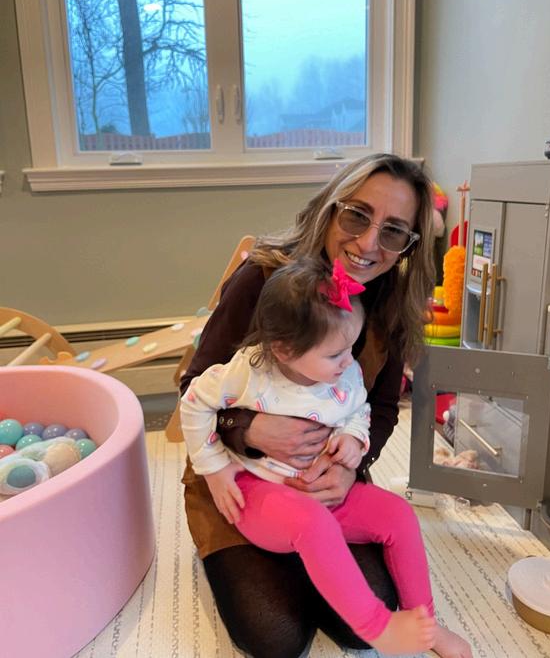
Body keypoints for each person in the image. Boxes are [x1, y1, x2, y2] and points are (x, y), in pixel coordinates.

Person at [179, 154, 471, 657]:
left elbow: (377, 409)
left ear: (409, 244)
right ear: (331, 208)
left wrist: (353, 458)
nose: (369, 243)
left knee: (362, 618)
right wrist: (249, 430)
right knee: (275, 636)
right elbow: (195, 390)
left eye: (393, 231)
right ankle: (290, 557)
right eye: (358, 215)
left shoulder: (389, 305)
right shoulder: (263, 282)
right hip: (243, 482)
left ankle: (416, 622)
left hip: (327, 481)